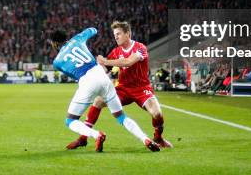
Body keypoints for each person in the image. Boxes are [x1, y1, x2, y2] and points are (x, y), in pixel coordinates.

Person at [66, 21, 172, 150]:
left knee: (157, 114)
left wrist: (105, 60)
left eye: (119, 34)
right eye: (115, 34)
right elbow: (105, 69)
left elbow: (129, 62)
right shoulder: (115, 51)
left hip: (142, 89)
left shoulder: (140, 47)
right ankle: (83, 138)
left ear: (128, 34)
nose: (116, 37)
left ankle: (158, 138)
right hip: (123, 89)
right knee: (98, 101)